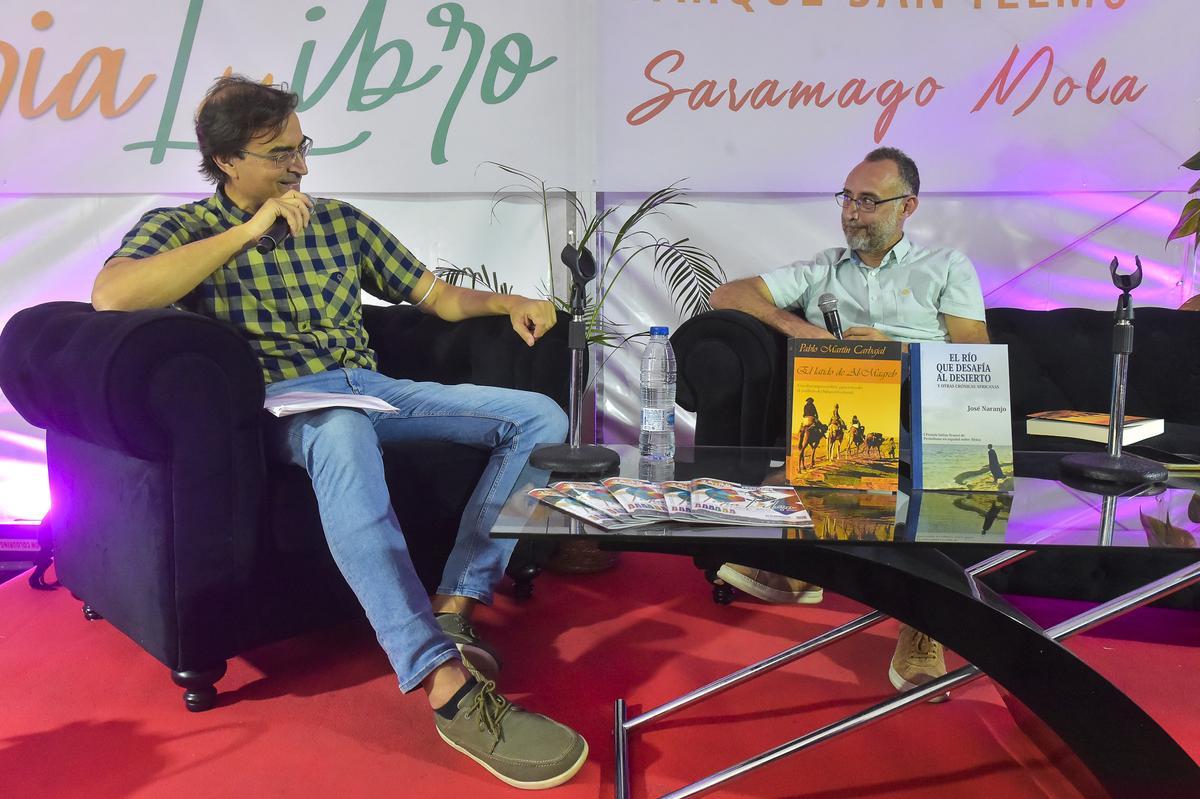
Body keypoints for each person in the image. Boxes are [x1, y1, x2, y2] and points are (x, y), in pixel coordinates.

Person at [91, 76, 586, 790]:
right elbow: (112, 293)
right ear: (228, 160)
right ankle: (439, 679)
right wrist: (247, 232)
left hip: (372, 386)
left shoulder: (338, 222)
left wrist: (513, 301)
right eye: (279, 153)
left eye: (302, 147)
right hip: (284, 407)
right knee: (345, 431)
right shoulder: (188, 227)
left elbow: (437, 297)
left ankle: (455, 606)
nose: (300, 167)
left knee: (539, 416)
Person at [710, 146, 988, 701]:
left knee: (924, 450)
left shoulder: (945, 266)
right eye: (847, 198)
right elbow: (729, 294)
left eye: (868, 201)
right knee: (840, 410)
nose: (852, 212)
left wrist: (898, 350)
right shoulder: (821, 269)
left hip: (926, 406)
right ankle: (801, 560)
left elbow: (975, 354)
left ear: (906, 206)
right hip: (846, 406)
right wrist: (801, 331)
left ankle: (920, 626)